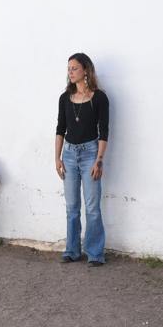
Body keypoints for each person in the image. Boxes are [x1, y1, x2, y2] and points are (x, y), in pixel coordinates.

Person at [55, 53, 109, 266]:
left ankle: (95, 253)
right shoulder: (64, 98)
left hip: (90, 153)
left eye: (74, 68)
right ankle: (72, 250)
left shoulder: (99, 98)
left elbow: (104, 131)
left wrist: (99, 160)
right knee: (71, 206)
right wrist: (57, 158)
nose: (70, 72)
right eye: (69, 68)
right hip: (68, 154)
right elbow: (60, 129)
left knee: (92, 206)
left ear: (86, 70)